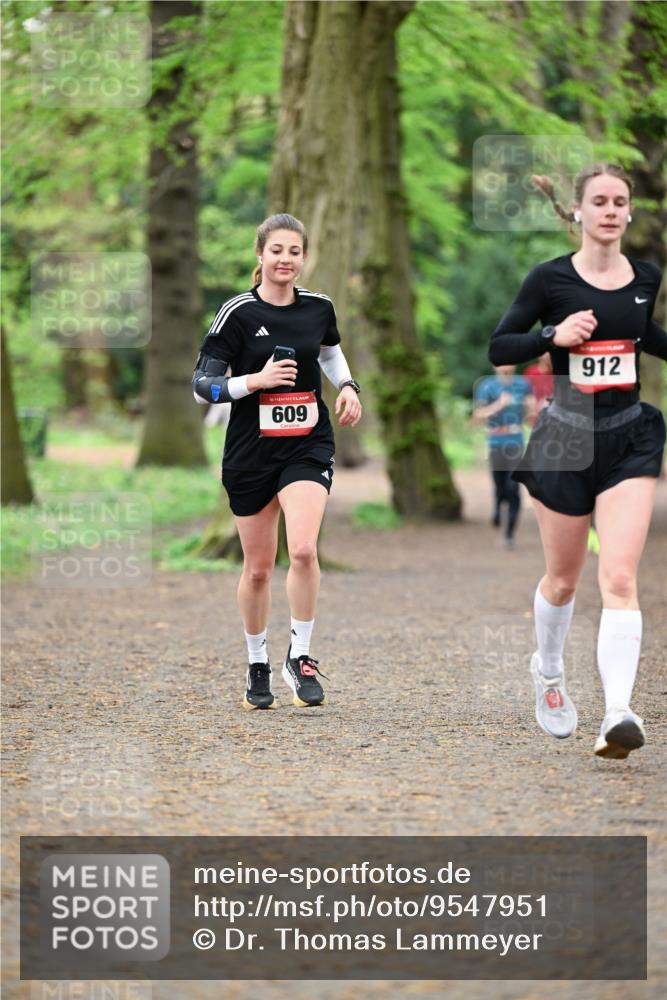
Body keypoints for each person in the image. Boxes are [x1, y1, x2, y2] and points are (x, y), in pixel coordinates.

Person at [489, 164, 667, 759]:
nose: (611, 210)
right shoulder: (549, 280)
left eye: (620, 201)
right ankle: (548, 670)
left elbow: (645, 335)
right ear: (580, 212)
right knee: (563, 581)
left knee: (618, 576)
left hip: (629, 435)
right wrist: (552, 337)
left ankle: (617, 712)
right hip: (565, 435)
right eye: (600, 201)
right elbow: (499, 346)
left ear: (629, 213)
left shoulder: (647, 276)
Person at [192, 213, 362, 710]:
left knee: (304, 550)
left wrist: (348, 387)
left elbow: (330, 353)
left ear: (303, 257)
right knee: (260, 569)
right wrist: (255, 382)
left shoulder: (318, 308)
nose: (285, 260)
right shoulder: (237, 313)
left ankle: (301, 657)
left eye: (294, 252)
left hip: (307, 443)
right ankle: (257, 663)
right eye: (277, 251)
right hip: (250, 453)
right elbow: (203, 385)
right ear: (260, 255)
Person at [473, 365, 534, 548]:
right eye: (501, 363)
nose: (505, 366)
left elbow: (530, 411)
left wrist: (531, 409)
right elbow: (478, 415)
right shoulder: (486, 385)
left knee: (513, 487)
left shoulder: (523, 384)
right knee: (500, 486)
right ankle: (498, 507)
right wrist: (499, 404)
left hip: (515, 441)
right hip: (495, 442)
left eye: (509, 362)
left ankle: (509, 534)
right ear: (494, 365)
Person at [524, 352, 554, 425]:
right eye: (545, 353)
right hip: (534, 415)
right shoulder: (530, 372)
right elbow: (525, 394)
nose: (547, 356)